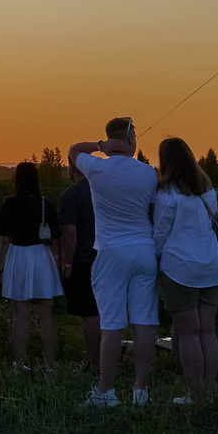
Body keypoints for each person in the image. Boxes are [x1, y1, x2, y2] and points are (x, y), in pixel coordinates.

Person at [67, 118, 160, 407]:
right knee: (144, 323)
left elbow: (72, 150)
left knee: (111, 325)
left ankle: (105, 392)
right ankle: (140, 391)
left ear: (110, 141)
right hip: (144, 250)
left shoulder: (97, 167)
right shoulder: (148, 173)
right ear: (131, 139)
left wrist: (98, 147)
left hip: (110, 253)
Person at [151, 139, 218, 401]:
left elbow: (160, 232)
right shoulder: (207, 189)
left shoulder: (167, 193)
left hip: (180, 268)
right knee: (208, 331)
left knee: (189, 333)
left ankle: (194, 393)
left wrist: (155, 259)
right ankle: (209, 390)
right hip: (212, 266)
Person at [0, 162, 63, 374]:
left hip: (17, 256)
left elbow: (4, 240)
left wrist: (0, 268)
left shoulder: (9, 204)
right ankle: (51, 365)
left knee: (20, 315)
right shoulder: (45, 204)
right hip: (42, 257)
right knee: (46, 315)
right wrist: (59, 265)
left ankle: (20, 363)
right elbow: (55, 241)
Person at [56, 166, 99, 378]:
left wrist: (68, 264)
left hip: (84, 261)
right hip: (110, 259)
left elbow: (70, 232)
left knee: (90, 316)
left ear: (72, 169)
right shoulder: (105, 190)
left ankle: (95, 365)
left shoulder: (72, 195)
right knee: (109, 315)